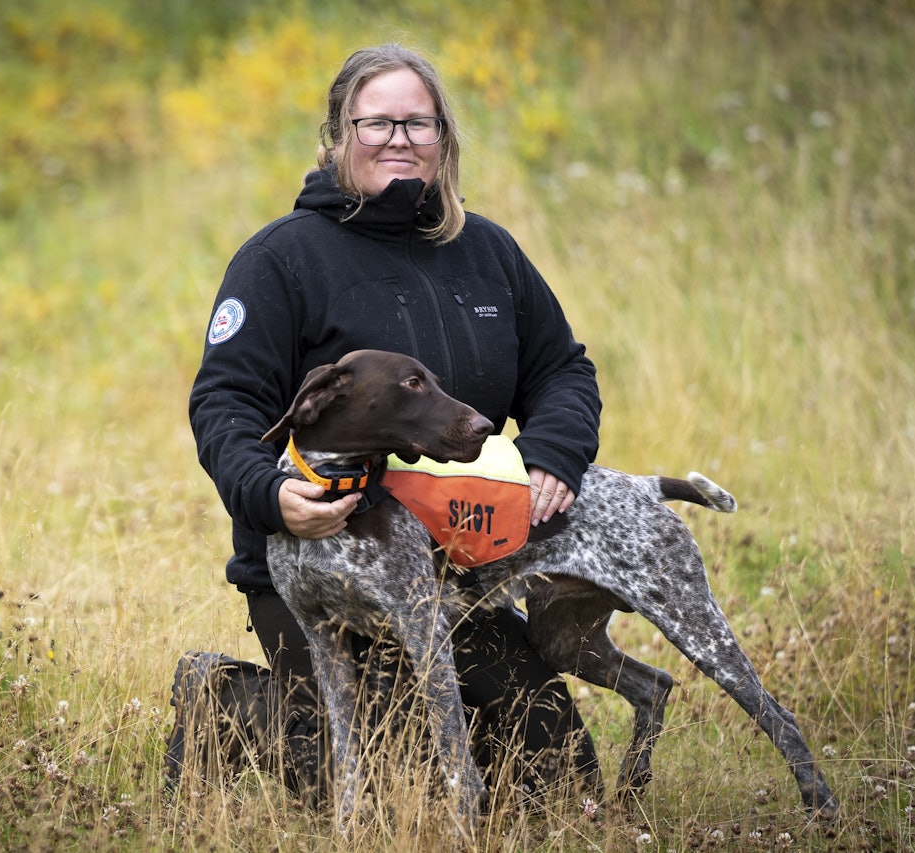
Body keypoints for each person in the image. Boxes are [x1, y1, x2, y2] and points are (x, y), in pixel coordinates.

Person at [172, 43, 602, 808]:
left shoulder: (488, 253)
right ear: (337, 137)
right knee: (389, 776)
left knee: (558, 775)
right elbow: (226, 403)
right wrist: (270, 496)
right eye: (377, 123)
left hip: (455, 567)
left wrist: (551, 456)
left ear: (444, 140)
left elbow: (562, 370)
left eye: (418, 123)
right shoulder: (281, 260)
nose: (399, 138)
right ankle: (228, 702)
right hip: (322, 565)